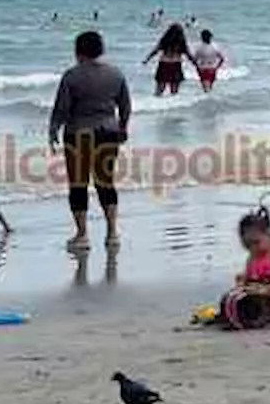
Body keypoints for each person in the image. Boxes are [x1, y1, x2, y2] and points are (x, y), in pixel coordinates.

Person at [50, 31, 132, 250]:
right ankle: (112, 232)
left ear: (78, 51)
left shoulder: (71, 76)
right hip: (108, 132)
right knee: (105, 182)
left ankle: (82, 235)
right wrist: (123, 127)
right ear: (101, 49)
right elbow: (125, 106)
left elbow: (62, 109)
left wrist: (53, 132)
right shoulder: (116, 74)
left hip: (78, 134)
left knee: (78, 184)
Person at [217, 207, 270, 330]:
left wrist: (269, 288)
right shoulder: (252, 257)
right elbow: (247, 277)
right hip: (265, 291)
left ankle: (268, 314)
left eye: (256, 242)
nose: (253, 247)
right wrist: (241, 283)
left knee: (260, 294)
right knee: (245, 292)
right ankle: (246, 314)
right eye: (247, 244)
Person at [143, 22, 195, 96]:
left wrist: (147, 59)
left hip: (164, 64)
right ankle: (173, 105)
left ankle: (155, 104)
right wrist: (195, 64)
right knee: (174, 91)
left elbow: (155, 50)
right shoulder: (181, 42)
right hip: (176, 65)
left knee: (159, 89)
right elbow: (189, 55)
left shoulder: (165, 40)